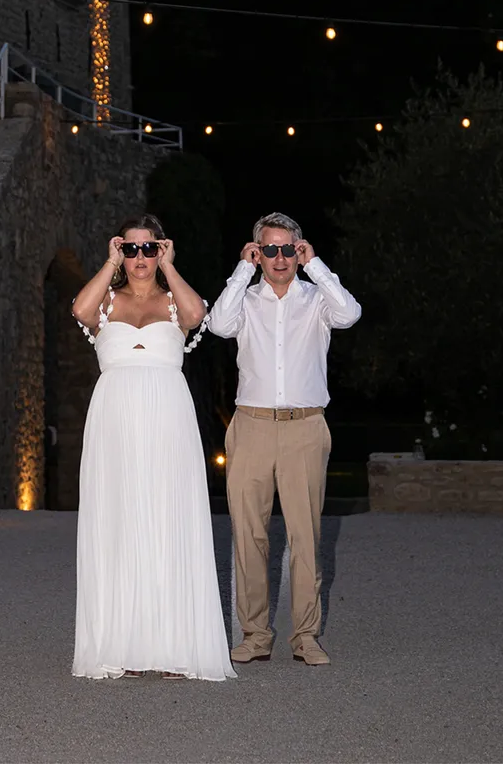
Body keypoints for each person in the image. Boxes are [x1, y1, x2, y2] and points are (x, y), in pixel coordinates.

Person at [70, 212, 235, 682]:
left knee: (168, 520)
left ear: (161, 249)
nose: (140, 257)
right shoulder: (105, 302)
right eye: (132, 248)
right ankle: (119, 644)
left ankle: (173, 647)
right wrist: (108, 263)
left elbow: (197, 316)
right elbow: (80, 310)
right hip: (114, 423)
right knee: (117, 522)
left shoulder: (172, 302)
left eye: (149, 248)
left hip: (168, 420)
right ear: (121, 251)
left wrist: (170, 267)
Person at [204, 212, 361, 668]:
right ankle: (255, 635)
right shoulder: (245, 299)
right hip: (251, 426)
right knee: (249, 534)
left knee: (305, 536)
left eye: (286, 249)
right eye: (269, 249)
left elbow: (350, 314)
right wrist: (241, 270)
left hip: (304, 427)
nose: (278, 257)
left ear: (299, 250)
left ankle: (306, 636)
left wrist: (317, 266)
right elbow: (217, 325)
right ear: (258, 252)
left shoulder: (317, 299)